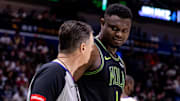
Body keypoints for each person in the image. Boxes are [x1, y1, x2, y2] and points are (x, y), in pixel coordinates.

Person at [27, 20, 94, 101]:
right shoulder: (53, 72)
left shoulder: (66, 76)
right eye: (91, 46)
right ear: (83, 48)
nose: (91, 51)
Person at [77, 3, 132, 101]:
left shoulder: (121, 64)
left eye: (124, 31)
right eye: (114, 29)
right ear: (102, 23)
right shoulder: (90, 50)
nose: (119, 34)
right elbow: (63, 81)